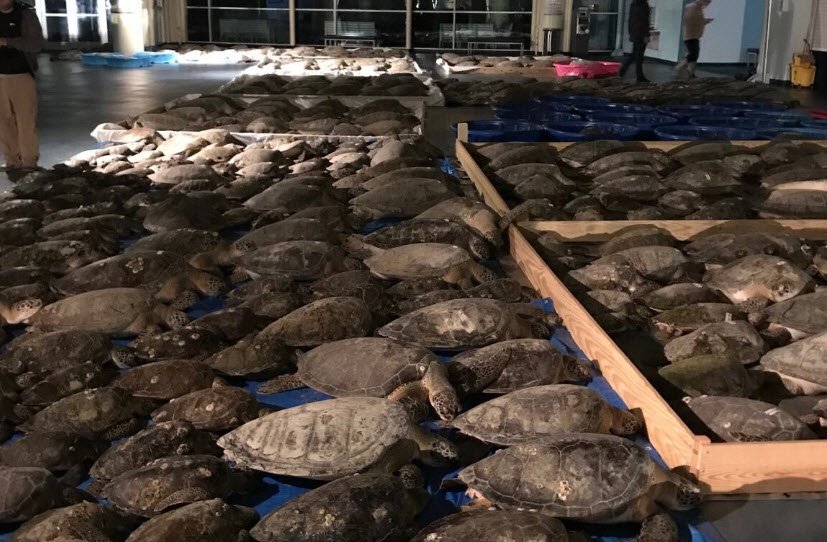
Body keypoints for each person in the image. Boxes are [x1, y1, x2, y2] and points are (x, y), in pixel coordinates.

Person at [0, 0, 42, 175]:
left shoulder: (25, 15)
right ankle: (11, 160)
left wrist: (7, 41)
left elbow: (35, 44)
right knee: (3, 122)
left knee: (26, 120)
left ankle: (29, 161)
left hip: (21, 75)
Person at [675, 0, 713, 79]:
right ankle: (679, 67)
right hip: (690, 35)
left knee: (695, 54)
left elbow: (697, 20)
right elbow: (690, 20)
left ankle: (690, 72)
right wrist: (704, 21)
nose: (707, 4)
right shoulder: (692, 7)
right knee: (693, 54)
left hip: (695, 35)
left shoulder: (698, 8)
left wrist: (704, 21)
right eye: (707, 2)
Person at [619, 0, 651, 83]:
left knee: (634, 55)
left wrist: (631, 33)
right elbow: (644, 21)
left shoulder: (634, 4)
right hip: (641, 34)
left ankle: (622, 73)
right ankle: (638, 76)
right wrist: (646, 34)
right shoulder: (642, 5)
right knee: (638, 56)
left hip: (636, 33)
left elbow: (631, 20)